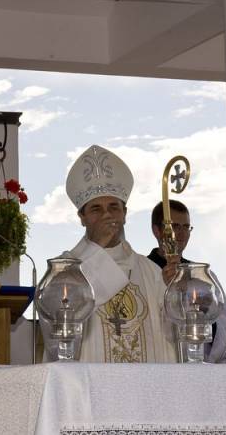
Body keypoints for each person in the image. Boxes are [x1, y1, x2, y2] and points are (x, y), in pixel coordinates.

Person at [42, 145, 177, 363]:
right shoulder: (63, 271)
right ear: (82, 217)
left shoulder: (150, 271)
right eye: (96, 209)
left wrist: (176, 293)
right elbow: (55, 330)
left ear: (125, 214)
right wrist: (98, 247)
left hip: (145, 382)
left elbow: (172, 336)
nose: (107, 215)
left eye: (114, 207)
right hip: (88, 382)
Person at [146, 200, 226, 362]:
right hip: (153, 363)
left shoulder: (202, 276)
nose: (182, 233)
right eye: (175, 226)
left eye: (186, 227)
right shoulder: (141, 271)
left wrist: (201, 314)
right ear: (157, 231)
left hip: (193, 365)